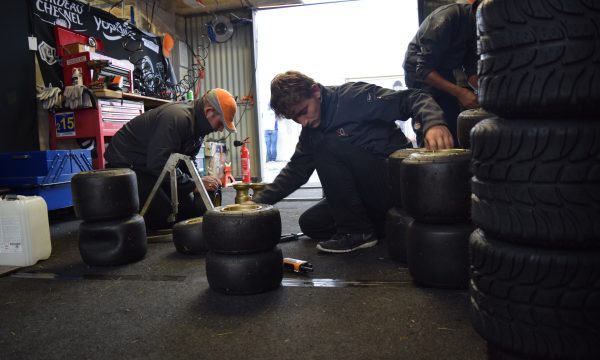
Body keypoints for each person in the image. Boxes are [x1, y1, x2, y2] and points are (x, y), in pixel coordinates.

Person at [251, 70, 453, 253]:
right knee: (311, 223)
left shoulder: (353, 98)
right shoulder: (311, 131)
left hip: (395, 181)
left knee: (326, 144)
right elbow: (296, 171)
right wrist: (256, 203)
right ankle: (387, 225)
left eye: (304, 111)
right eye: (296, 118)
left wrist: (433, 123)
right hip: (367, 195)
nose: (303, 122)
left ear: (315, 91)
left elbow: (412, 97)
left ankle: (357, 233)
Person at [104, 88, 237, 230]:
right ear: (209, 111)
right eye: (220, 123)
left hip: (150, 165)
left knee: (189, 212)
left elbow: (187, 161)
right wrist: (193, 185)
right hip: (127, 166)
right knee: (163, 215)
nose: (220, 129)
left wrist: (200, 182)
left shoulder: (199, 127)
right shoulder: (177, 118)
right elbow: (158, 163)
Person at [403, 0, 481, 146]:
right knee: (433, 125)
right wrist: (460, 93)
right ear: (478, 8)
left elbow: (471, 71)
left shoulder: (476, 28)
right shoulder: (446, 18)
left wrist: (486, 92)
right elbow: (424, 70)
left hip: (444, 72)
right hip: (421, 77)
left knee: (452, 125)